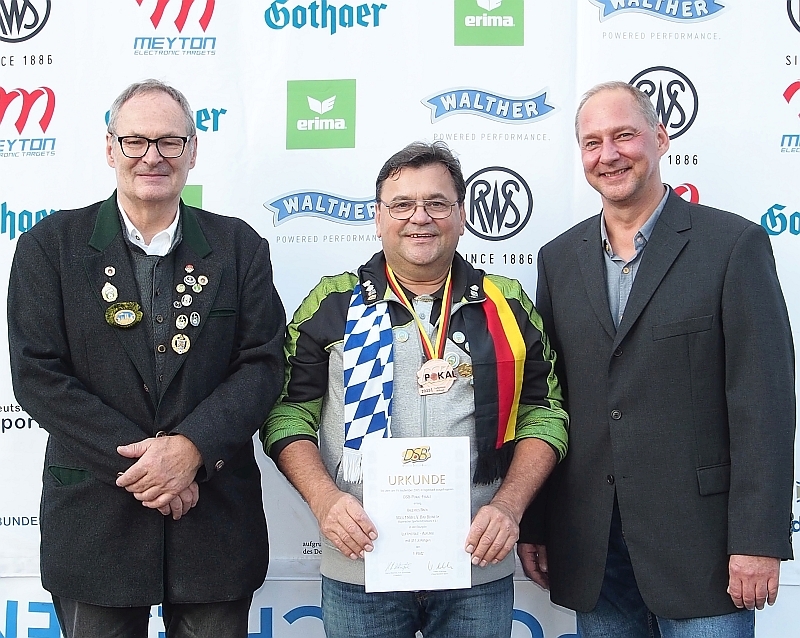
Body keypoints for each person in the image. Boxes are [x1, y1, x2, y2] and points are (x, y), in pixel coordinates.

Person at [7, 79, 285, 638]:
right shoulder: (49, 246)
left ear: (192, 150)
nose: (152, 156)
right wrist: (151, 468)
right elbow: (38, 374)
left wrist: (191, 450)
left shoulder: (239, 247)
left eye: (169, 141)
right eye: (135, 141)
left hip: (213, 523)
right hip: (95, 525)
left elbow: (262, 364)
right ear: (110, 148)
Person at [517, 81, 796, 638]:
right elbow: (551, 401)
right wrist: (538, 523)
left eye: (624, 135)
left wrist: (758, 539)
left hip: (704, 550)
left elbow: (763, 403)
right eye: (593, 142)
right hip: (594, 549)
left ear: (661, 138)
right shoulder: (558, 259)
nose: (609, 154)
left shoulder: (731, 245)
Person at [262, 141, 568, 638]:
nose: (419, 218)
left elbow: (545, 414)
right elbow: (285, 414)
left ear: (462, 215)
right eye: (402, 204)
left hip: (476, 561)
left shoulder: (506, 303)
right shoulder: (333, 302)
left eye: (437, 203)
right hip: (360, 562)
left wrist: (508, 506)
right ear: (378, 218)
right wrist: (324, 501)